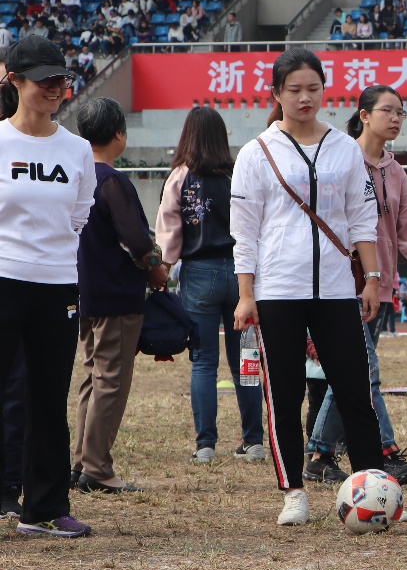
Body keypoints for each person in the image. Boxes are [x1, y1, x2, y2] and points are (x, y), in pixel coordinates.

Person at [229, 48, 386, 527]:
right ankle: (293, 491)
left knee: (355, 389)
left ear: (324, 90)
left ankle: (373, 487)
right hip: (278, 289)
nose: (304, 98)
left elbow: (362, 219)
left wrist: (372, 278)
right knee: (285, 393)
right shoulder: (257, 152)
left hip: (336, 289)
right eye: (294, 89)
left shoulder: (344, 148)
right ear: (276, 94)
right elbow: (245, 231)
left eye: (313, 88)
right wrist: (246, 293)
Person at [304, 85, 407, 486]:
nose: (395, 118)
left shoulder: (395, 172)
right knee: (364, 372)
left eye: (401, 113)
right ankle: (383, 451)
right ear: (364, 115)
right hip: (343, 286)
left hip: (380, 289)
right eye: (388, 110)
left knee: (350, 374)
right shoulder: (339, 161)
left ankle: (320, 455)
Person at [0, 36, 95, 537]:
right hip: (3, 278)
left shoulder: (77, 149)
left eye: (61, 79)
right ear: (14, 80)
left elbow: (78, 216)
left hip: (57, 285)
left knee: (48, 395)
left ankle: (44, 507)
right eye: (44, 80)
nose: (55, 89)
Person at [157, 107, 265, 463]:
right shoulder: (238, 174)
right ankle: (253, 442)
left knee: (203, 362)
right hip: (242, 274)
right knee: (245, 360)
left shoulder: (180, 176)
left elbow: (169, 233)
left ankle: (205, 446)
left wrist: (162, 270)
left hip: (199, 272)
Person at [71, 98, 167, 494]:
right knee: (111, 380)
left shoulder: (76, 176)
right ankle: (97, 467)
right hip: (116, 293)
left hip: (85, 292)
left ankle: (81, 461)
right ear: (119, 134)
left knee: (92, 379)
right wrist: (156, 265)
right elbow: (137, 241)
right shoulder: (111, 181)